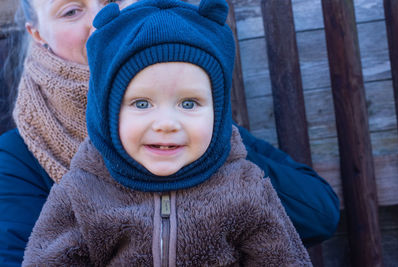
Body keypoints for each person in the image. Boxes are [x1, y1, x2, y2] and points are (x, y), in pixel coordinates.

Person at [0, 0, 339, 265]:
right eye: (71, 11)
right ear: (37, 33)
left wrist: (215, 146)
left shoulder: (202, 130)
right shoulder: (21, 158)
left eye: (114, 1)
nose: (97, 21)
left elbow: (318, 214)